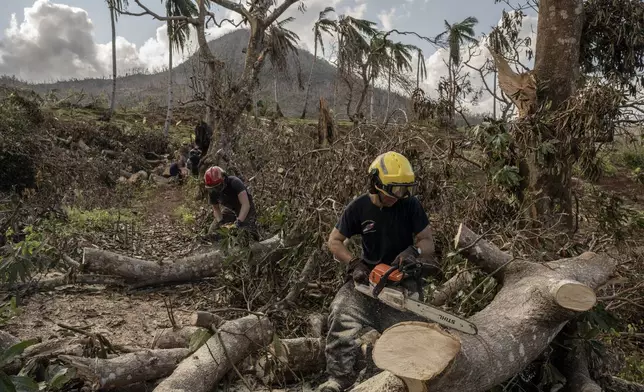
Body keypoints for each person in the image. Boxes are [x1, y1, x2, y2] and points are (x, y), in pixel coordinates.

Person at [317, 151, 442, 392]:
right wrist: (354, 263)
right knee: (340, 313)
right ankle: (339, 377)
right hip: (368, 280)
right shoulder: (359, 207)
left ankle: (402, 378)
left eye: (403, 190)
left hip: (402, 279)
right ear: (375, 183)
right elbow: (334, 241)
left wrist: (413, 252)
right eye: (394, 190)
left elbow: (428, 240)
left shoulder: (410, 205)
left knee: (412, 335)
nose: (398, 196)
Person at [204, 166, 259, 241]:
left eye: (218, 186)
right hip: (231, 209)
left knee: (247, 233)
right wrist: (221, 222)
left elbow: (245, 204)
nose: (216, 189)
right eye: (213, 188)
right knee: (213, 232)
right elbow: (216, 209)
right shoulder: (212, 191)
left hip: (245, 207)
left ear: (224, 178)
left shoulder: (235, 182)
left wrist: (239, 222)